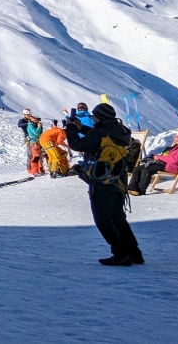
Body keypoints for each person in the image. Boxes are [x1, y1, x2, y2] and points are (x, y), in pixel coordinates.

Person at [65, 102, 142, 266]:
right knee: (118, 217)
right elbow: (100, 137)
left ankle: (120, 255)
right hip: (119, 179)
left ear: (100, 117)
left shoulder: (100, 133)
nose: (92, 119)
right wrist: (81, 129)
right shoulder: (121, 131)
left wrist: (71, 129)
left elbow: (77, 144)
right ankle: (134, 253)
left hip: (103, 180)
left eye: (95, 116)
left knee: (103, 219)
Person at [24, 112, 45, 176]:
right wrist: (38, 127)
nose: (37, 121)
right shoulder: (30, 125)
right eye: (36, 119)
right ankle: (35, 171)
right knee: (35, 157)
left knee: (39, 157)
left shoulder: (34, 125)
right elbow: (36, 134)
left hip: (37, 142)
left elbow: (40, 134)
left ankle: (40, 169)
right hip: (33, 143)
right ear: (32, 119)